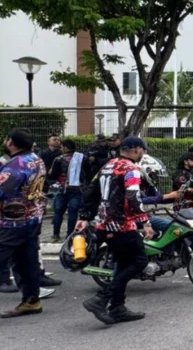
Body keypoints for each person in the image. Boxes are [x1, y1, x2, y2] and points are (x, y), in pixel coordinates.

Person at [77, 137, 153, 325]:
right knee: (139, 261)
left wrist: (84, 216)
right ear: (136, 149)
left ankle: (117, 307)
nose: (143, 153)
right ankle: (101, 298)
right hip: (121, 225)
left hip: (104, 224)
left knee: (123, 263)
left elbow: (91, 191)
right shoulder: (130, 168)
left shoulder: (108, 165)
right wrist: (145, 222)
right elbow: (133, 197)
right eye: (143, 149)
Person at [0, 130, 47, 319]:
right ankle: (31, 301)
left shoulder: (15, 165)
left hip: (12, 223)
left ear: (11, 142)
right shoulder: (37, 159)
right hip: (32, 219)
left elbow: (2, 191)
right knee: (26, 262)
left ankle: (31, 300)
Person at [47, 140, 86, 241]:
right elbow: (88, 173)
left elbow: (53, 175)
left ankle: (56, 234)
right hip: (78, 188)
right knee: (73, 212)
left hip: (62, 188)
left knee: (58, 212)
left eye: (62, 147)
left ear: (65, 148)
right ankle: (69, 235)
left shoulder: (59, 159)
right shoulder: (82, 158)